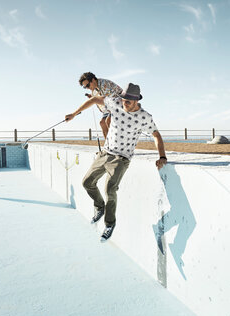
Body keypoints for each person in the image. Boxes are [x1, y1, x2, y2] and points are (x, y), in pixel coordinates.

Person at [65, 83, 167, 242]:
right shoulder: (115, 102)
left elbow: (156, 135)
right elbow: (94, 100)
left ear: (136, 101)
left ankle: (109, 223)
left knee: (110, 189)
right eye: (123, 99)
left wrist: (162, 157)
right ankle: (99, 207)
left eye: (128, 101)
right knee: (87, 182)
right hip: (105, 153)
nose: (124, 103)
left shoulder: (144, 117)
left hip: (121, 158)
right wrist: (74, 113)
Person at [78, 72, 123, 139]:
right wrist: (93, 98)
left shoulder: (104, 85)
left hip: (120, 103)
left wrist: (94, 99)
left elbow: (109, 101)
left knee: (108, 120)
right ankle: (108, 145)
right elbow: (100, 100)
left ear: (93, 80)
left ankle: (116, 144)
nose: (87, 88)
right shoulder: (95, 89)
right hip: (109, 106)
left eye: (87, 85)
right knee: (102, 123)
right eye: (85, 87)